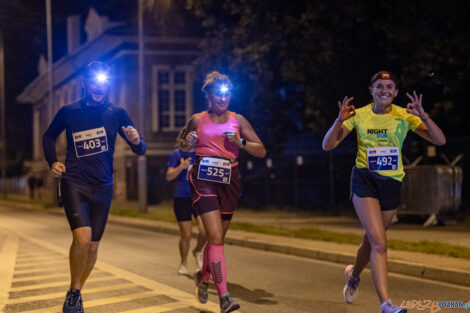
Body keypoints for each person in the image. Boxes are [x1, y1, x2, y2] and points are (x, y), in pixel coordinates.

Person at [322, 71, 445, 313]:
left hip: (392, 183)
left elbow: (439, 140)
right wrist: (339, 120)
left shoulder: (404, 116)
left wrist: (425, 117)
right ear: (371, 90)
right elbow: (327, 146)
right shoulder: (359, 115)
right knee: (379, 242)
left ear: (396, 92)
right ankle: (386, 304)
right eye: (379, 86)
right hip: (364, 180)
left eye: (389, 86)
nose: (384, 90)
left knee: (371, 241)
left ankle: (353, 275)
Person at [43, 61, 146, 313]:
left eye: (103, 83)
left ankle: (75, 291)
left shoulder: (117, 113)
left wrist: (136, 140)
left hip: (103, 187)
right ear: (86, 84)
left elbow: (140, 148)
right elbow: (48, 136)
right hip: (74, 183)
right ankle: (75, 294)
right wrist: (53, 162)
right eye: (94, 82)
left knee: (93, 247)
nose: (98, 87)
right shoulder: (69, 111)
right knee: (82, 239)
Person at [182, 71, 266, 313]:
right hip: (203, 178)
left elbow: (261, 150)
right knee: (216, 237)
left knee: (216, 238)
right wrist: (188, 143)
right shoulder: (198, 119)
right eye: (219, 93)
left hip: (230, 179)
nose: (224, 97)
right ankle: (224, 297)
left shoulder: (238, 120)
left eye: (228, 93)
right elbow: (182, 143)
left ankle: (203, 276)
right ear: (208, 95)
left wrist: (240, 143)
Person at [166, 129, 207, 275]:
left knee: (204, 231)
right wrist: (181, 167)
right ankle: (183, 263)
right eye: (185, 138)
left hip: (199, 197)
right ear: (181, 139)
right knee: (187, 235)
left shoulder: (199, 154)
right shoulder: (177, 154)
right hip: (181, 198)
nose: (187, 140)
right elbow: (169, 176)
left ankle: (197, 251)